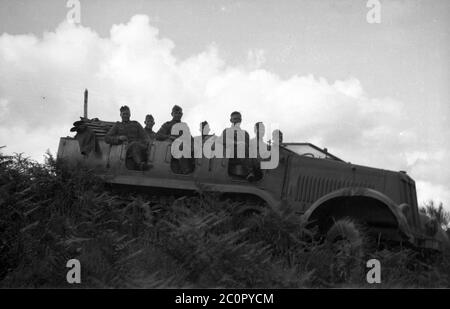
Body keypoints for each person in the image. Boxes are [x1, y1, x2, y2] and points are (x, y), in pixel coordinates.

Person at [105, 105, 151, 171]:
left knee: (135, 144)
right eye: (124, 114)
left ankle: (141, 163)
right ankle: (140, 164)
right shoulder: (117, 125)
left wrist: (147, 145)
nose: (126, 116)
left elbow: (145, 137)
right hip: (125, 149)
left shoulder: (136, 124)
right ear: (120, 115)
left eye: (127, 114)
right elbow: (107, 138)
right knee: (133, 145)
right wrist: (119, 138)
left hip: (138, 147)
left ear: (130, 114)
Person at [221, 111, 254, 180]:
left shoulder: (245, 133)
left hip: (244, 155)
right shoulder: (226, 131)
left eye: (238, 119)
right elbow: (224, 141)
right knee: (242, 145)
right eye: (234, 119)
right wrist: (237, 143)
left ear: (241, 120)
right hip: (229, 156)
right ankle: (250, 172)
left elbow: (248, 145)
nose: (236, 121)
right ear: (231, 120)